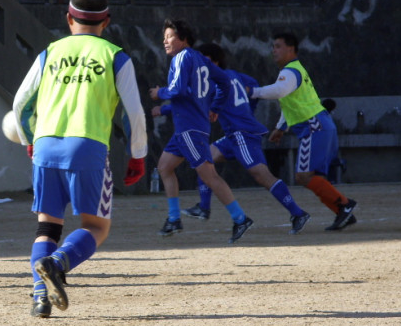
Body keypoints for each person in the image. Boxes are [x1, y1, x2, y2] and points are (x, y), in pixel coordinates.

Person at [11, 0, 147, 318]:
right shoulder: (115, 56)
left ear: (69, 19)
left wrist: (30, 139)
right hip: (87, 145)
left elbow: (20, 103)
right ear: (106, 22)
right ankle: (58, 263)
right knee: (96, 226)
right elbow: (134, 113)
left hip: (46, 143)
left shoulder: (50, 52)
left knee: (47, 226)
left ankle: (40, 297)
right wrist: (138, 153)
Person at [181, 42, 311, 234]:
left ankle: (298, 213)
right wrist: (246, 111)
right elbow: (253, 85)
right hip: (235, 134)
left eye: (202, 59)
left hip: (241, 133)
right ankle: (203, 207)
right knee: (204, 159)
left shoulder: (212, 82)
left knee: (261, 175)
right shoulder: (234, 75)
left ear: (214, 62)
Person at [149, 20, 253, 244]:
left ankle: (240, 218)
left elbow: (176, 90)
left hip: (189, 128)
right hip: (188, 127)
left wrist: (160, 93)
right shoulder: (200, 59)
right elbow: (224, 82)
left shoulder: (181, 57)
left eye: (169, 36)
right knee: (164, 167)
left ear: (184, 39)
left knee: (209, 176)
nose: (165, 41)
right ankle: (174, 219)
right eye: (164, 37)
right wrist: (215, 107)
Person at [246, 33, 357, 230]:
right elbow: (289, 101)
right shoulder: (294, 70)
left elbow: (279, 91)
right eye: (273, 46)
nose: (273, 50)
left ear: (291, 49)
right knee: (311, 176)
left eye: (278, 46)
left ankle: (344, 205)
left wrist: (253, 92)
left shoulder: (289, 72)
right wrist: (281, 128)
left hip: (313, 126)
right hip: (320, 125)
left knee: (303, 176)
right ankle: (343, 210)